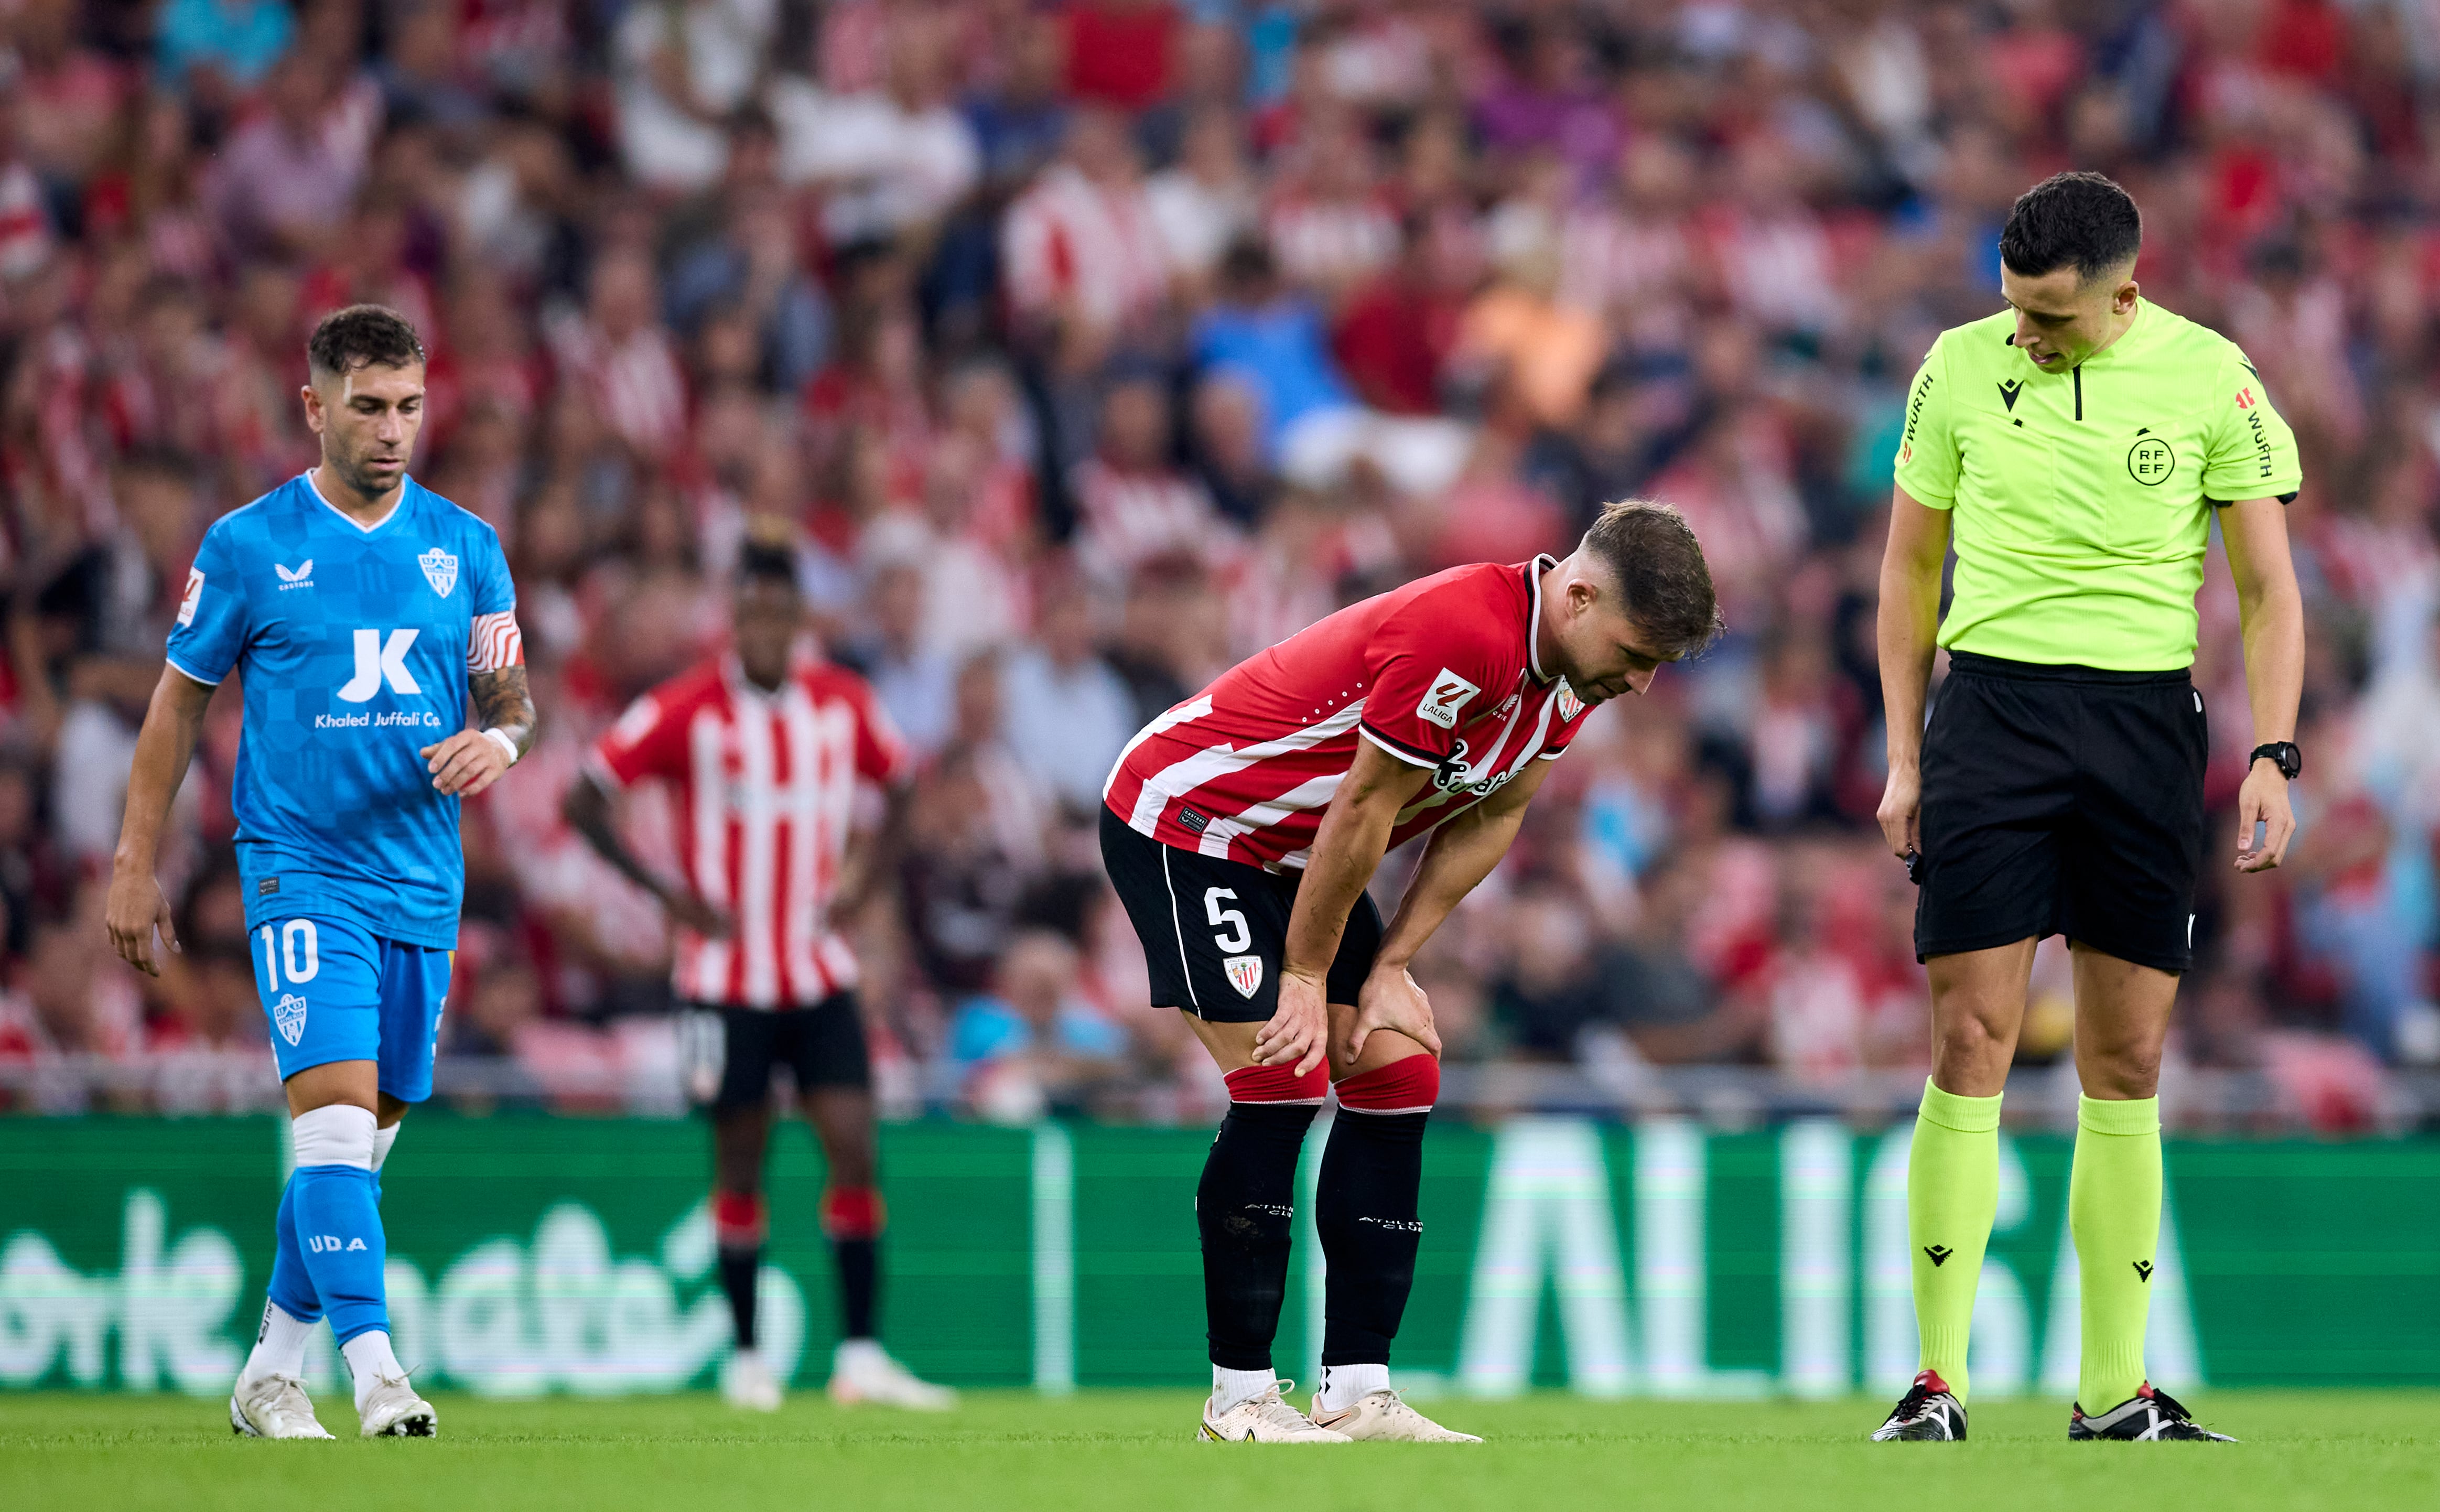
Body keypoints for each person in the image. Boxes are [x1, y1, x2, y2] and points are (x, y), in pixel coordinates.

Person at [1100, 500, 1721, 1442]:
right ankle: (1238, 1400)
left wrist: (1392, 962)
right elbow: (1364, 806)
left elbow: (1494, 814)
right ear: (1580, 595)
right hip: (1195, 821)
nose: (1639, 683)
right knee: (1281, 1070)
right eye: (1637, 655)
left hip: (1294, 858)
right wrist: (1306, 976)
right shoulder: (1463, 635)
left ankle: (1355, 1388)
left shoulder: (1569, 678)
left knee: (1398, 1070)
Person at [1873, 172, 2303, 1443]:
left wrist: (2274, 753)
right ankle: (1934, 1381)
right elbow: (1907, 565)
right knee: (1971, 1041)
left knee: (2126, 1060)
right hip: (1991, 717)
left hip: (2140, 729)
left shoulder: (2213, 375)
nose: (2024, 334)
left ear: (2125, 291)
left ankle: (2113, 1390)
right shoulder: (1953, 368)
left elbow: (2270, 589)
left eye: (2049, 319)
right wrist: (1905, 753)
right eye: (2011, 309)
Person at [104, 304, 536, 1440]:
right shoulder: (248, 544)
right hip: (301, 868)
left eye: (408, 405)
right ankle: (379, 1367)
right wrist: (133, 859)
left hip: (421, 880)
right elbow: (177, 702)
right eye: (367, 407)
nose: (392, 429)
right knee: (335, 1130)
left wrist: (501, 743)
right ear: (314, 408)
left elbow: (510, 696)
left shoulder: (468, 546)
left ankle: (267, 1368)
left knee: (365, 1138)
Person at [562, 535, 952, 1414]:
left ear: (800, 618)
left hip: (818, 971)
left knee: (854, 1144)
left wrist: (863, 880)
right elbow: (584, 795)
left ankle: (860, 1357)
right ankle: (745, 1358)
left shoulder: (841, 705)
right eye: (753, 611)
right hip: (722, 976)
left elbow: (908, 788)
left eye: (782, 611)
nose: (768, 626)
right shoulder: (687, 708)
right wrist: (664, 890)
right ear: (734, 619)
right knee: (740, 1161)